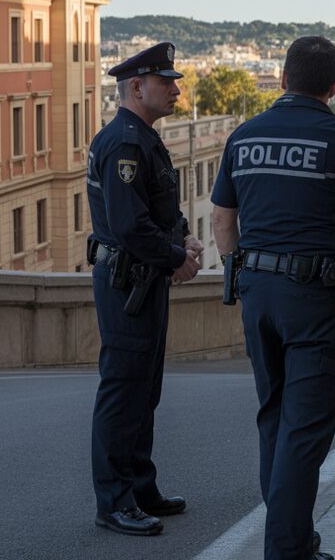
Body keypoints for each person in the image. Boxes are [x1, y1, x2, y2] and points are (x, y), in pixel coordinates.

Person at [211, 36, 335, 560]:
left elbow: (223, 221)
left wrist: (235, 271)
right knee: (306, 429)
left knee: (274, 415)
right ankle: (286, 549)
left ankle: (292, 535)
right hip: (316, 298)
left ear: (282, 78)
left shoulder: (244, 135)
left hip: (256, 292)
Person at [87, 42, 204, 537]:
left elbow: (157, 209)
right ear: (136, 87)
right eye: (167, 82)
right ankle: (114, 501)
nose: (177, 89)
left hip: (142, 277)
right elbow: (130, 225)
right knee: (123, 391)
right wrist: (177, 259)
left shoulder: (143, 139)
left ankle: (140, 486)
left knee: (144, 390)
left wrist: (181, 234)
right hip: (127, 280)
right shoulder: (126, 145)